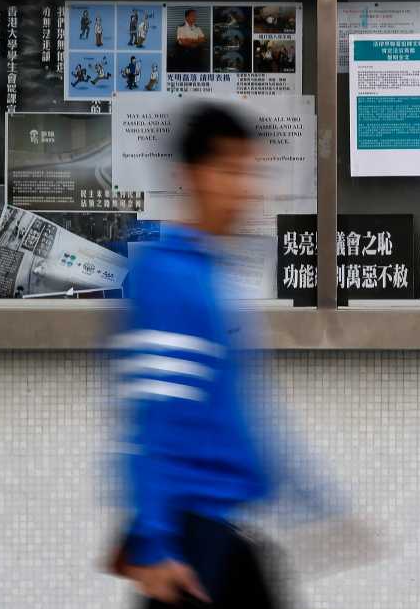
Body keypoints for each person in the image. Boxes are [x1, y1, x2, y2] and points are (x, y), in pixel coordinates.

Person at [109, 104, 285, 607]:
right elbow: (150, 423)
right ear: (193, 176)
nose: (243, 189)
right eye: (229, 171)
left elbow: (241, 410)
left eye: (249, 172)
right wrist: (155, 542)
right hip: (188, 546)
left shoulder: (213, 275)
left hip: (225, 532)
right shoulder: (168, 279)